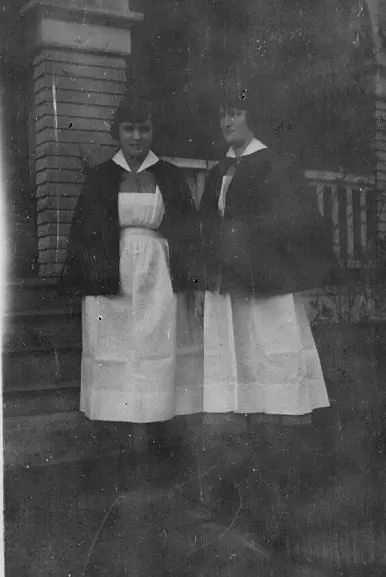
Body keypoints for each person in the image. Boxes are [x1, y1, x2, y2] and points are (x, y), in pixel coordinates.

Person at [197, 86, 338, 546]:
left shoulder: (276, 165)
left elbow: (294, 223)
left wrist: (253, 251)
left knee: (277, 379)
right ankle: (254, 504)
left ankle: (284, 511)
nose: (226, 122)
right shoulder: (221, 169)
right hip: (233, 290)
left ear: (252, 116)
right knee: (246, 387)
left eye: (234, 113)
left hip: (267, 291)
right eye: (221, 115)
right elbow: (207, 226)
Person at [59, 96, 203, 482]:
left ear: (152, 131)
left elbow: (188, 232)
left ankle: (159, 447)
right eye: (129, 129)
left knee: (157, 351)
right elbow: (85, 232)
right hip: (114, 272)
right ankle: (124, 453)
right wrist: (91, 278)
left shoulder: (169, 175)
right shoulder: (101, 175)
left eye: (144, 128)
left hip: (158, 272)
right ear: (117, 132)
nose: (137, 137)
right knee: (117, 351)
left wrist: (190, 280)